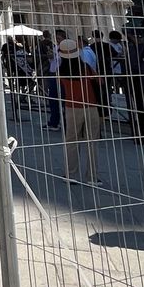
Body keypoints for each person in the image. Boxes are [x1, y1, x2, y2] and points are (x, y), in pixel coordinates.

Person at [57, 38, 101, 185]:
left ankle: (71, 174)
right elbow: (100, 81)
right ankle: (92, 177)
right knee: (91, 142)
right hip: (90, 106)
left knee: (71, 141)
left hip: (72, 107)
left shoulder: (60, 71)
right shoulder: (86, 68)